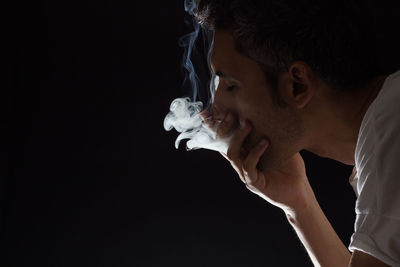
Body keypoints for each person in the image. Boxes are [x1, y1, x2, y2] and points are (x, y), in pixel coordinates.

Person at [193, 0, 400, 266]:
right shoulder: (382, 131)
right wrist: (299, 204)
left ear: (297, 85)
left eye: (231, 85)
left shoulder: (392, 131)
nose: (216, 109)